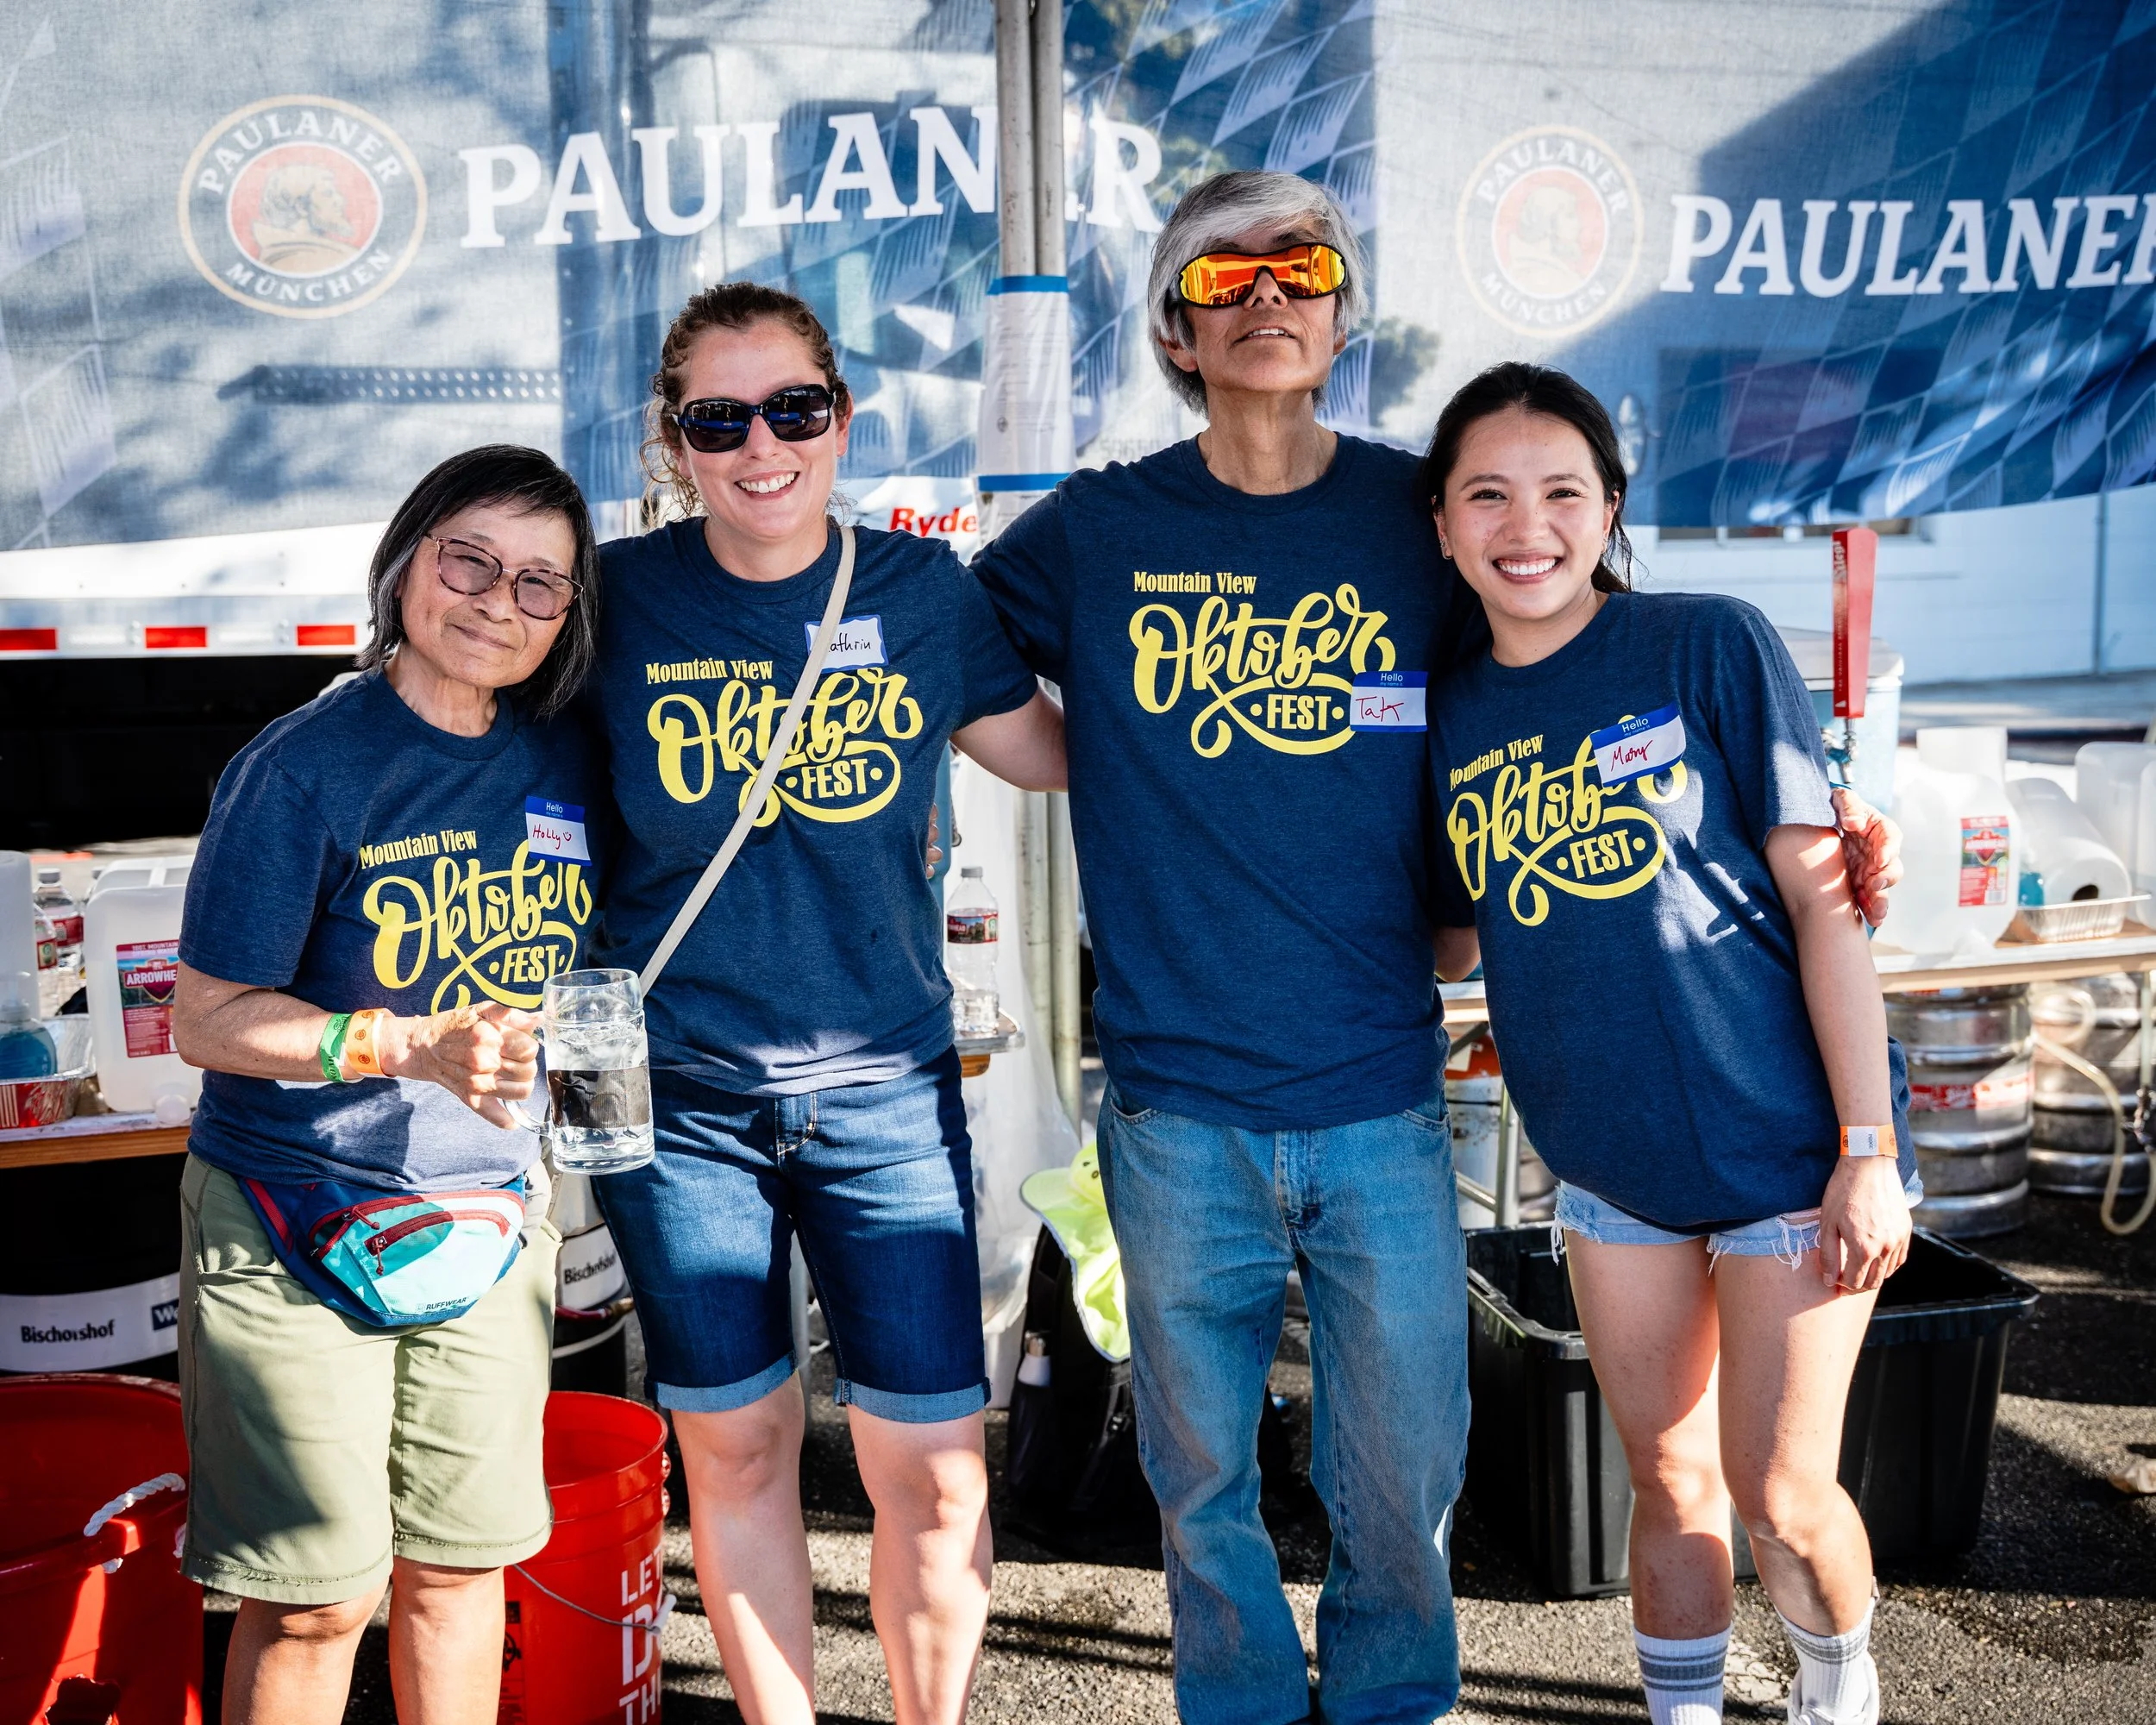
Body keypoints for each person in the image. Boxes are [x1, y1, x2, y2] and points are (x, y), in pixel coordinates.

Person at [972, 169, 1903, 1724]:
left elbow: (1548, 698)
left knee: (1401, 1476)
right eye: (1223, 280)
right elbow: (943, 653)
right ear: (1176, 328)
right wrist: (1085, 751)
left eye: (1301, 269)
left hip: (1383, 1091)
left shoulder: (1427, 519)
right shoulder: (1099, 527)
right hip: (1174, 1099)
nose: (1266, 297)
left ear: (1341, 311)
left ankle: (1396, 1704)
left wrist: (1814, 823)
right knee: (1201, 1487)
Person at [584, 281, 1065, 1725]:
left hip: (886, 1097)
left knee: (931, 1467)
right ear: (676, 443)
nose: (760, 446)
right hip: (679, 1108)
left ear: (842, 419)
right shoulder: (615, 599)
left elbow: (1054, 756)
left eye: (793, 409)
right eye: (718, 420)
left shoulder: (922, 595)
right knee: (735, 1452)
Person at [1423, 362, 1918, 1725]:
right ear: (1447, 528)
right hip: (1612, 1167)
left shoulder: (1708, 641)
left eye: (1562, 492)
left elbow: (1832, 917)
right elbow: (1452, 936)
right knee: (1671, 1483)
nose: (1529, 525)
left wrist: (1867, 1152)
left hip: (1790, 1151)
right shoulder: (1446, 711)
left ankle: (1836, 1686)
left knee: (1781, 1493)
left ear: (1609, 509)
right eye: (1489, 496)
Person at [171, 445, 605, 1725]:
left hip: (490, 1216)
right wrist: (402, 1044)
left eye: (540, 583)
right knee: (316, 1595)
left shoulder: (566, 758)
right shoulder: (304, 764)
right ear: (408, 560)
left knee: (463, 1574)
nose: (496, 601)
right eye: (469, 558)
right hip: (291, 1213)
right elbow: (204, 1019)